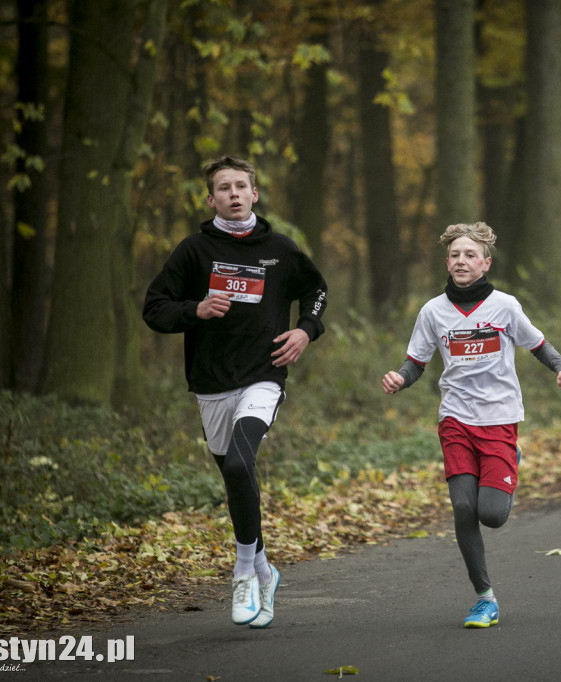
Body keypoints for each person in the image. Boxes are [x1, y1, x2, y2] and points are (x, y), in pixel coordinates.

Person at [143, 156, 327, 629]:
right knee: (235, 477)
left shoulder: (280, 249)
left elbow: (317, 291)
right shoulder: (193, 251)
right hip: (210, 383)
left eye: (241, 186)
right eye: (223, 188)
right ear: (211, 200)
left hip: (264, 376)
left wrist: (306, 330)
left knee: (244, 463)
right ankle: (266, 568)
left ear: (255, 194)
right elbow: (154, 308)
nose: (234, 193)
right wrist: (196, 309)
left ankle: (244, 571)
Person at [381, 222, 561, 628]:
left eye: (470, 254)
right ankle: (484, 598)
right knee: (462, 507)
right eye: (454, 254)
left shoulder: (505, 306)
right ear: (447, 262)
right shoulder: (433, 311)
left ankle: (510, 460)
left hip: (500, 420)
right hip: (455, 418)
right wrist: (401, 378)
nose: (461, 261)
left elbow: (538, 344)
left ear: (485, 262)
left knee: (492, 514)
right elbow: (417, 361)